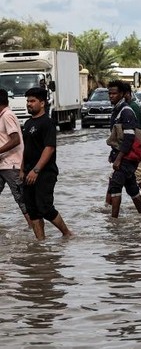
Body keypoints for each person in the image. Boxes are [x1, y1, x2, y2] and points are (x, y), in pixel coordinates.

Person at [20, 87, 71, 240]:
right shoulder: (28, 123)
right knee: (32, 209)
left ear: (42, 103)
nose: (29, 104)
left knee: (45, 207)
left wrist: (36, 170)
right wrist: (22, 169)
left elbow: (49, 148)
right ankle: (41, 243)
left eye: (32, 101)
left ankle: (67, 234)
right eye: (28, 101)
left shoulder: (47, 123)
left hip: (44, 172)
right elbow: (25, 148)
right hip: (28, 172)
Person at [106, 80, 141, 218]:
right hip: (122, 156)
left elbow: (129, 137)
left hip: (126, 158)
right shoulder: (117, 110)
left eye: (114, 93)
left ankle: (114, 221)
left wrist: (118, 158)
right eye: (109, 93)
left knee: (115, 186)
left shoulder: (126, 111)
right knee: (132, 187)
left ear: (122, 94)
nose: (111, 96)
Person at [0, 89, 31, 226]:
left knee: (21, 199)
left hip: (12, 165)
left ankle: (35, 229)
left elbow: (16, 139)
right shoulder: (2, 116)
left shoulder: (7, 115)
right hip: (2, 164)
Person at [122, 83, 141, 212]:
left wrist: (140, 152)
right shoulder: (125, 108)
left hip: (134, 151)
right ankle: (109, 210)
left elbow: (140, 132)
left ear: (127, 94)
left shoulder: (131, 108)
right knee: (114, 180)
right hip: (124, 151)